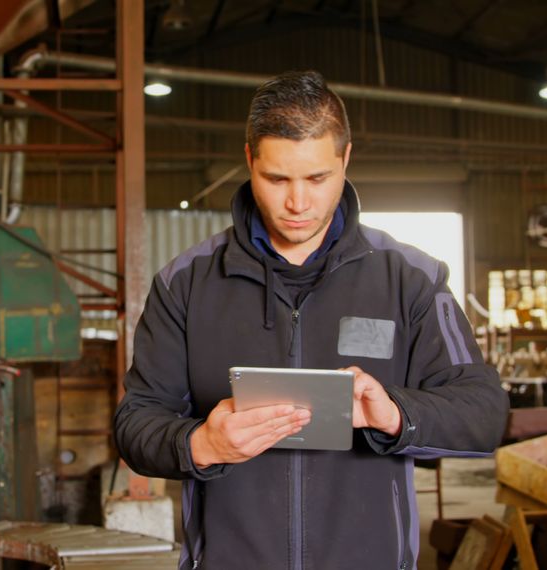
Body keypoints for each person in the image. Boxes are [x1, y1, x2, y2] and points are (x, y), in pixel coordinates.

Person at [114, 70, 508, 570]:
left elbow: (483, 413)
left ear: (346, 159)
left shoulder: (412, 279)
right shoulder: (185, 283)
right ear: (249, 159)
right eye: (276, 179)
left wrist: (393, 414)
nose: (297, 203)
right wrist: (201, 443)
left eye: (317, 178)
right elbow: (135, 422)